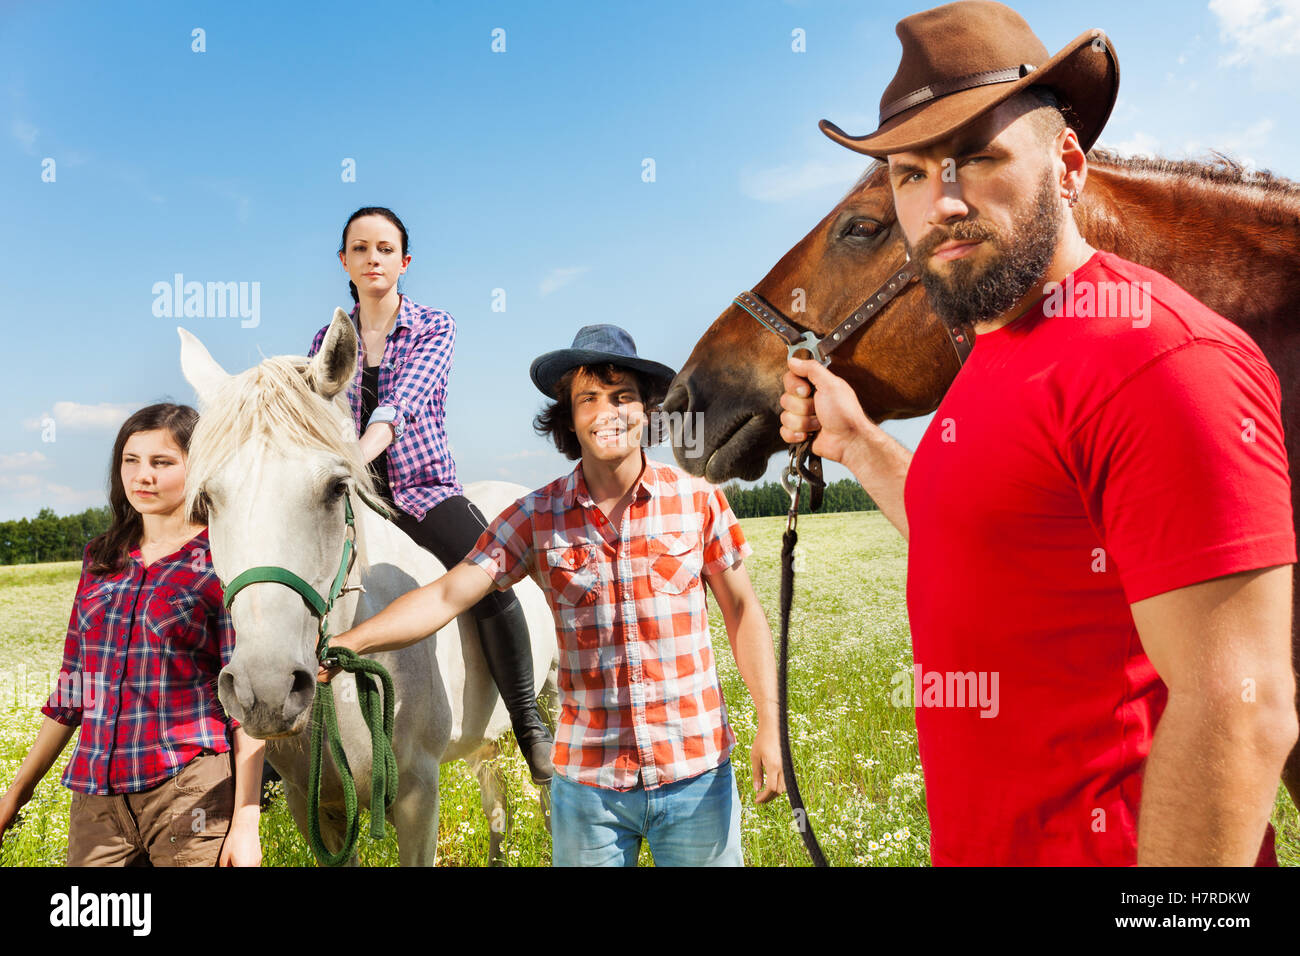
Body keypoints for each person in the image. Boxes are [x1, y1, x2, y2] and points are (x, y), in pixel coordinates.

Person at [781, 0, 1296, 866]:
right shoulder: (998, 350)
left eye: (976, 158)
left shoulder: (1162, 359)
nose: (940, 203)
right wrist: (861, 446)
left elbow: (1239, 712)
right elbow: (994, 541)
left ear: (1067, 165)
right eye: (909, 175)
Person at [319, 324, 785, 866]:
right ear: (569, 417)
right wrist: (350, 640)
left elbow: (743, 612)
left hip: (695, 777)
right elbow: (448, 594)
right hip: (589, 792)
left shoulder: (698, 501)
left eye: (623, 397)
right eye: (589, 398)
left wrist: (770, 726)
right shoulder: (536, 516)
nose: (608, 411)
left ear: (647, 411)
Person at [309, 206, 554, 783]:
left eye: (385, 249)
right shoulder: (327, 338)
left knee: (490, 579)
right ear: (343, 261)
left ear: (404, 261)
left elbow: (405, 401)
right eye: (361, 248)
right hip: (353, 487)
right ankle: (284, 736)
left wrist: (362, 448)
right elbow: (321, 405)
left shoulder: (434, 326)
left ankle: (527, 720)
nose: (374, 258)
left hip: (421, 487)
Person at [0, 403, 264, 866]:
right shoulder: (101, 558)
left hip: (190, 791)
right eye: (131, 460)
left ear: (199, 466)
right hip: (96, 799)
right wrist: (15, 794)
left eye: (162, 462)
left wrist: (246, 820)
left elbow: (247, 702)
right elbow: (72, 688)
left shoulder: (225, 560)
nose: (143, 476)